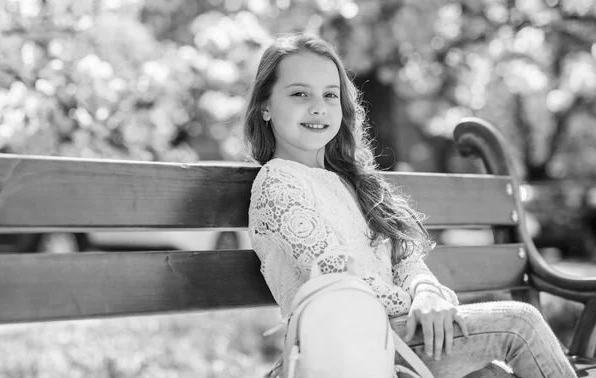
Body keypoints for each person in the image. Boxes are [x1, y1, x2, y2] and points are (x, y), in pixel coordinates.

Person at [244, 32, 577, 378]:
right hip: (348, 346)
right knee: (519, 324)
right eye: (300, 93)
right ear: (265, 106)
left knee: (491, 374)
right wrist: (418, 307)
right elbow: (342, 282)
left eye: (330, 95)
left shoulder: (350, 183)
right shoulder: (279, 185)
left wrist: (427, 292)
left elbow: (404, 258)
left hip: (396, 336)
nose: (318, 107)